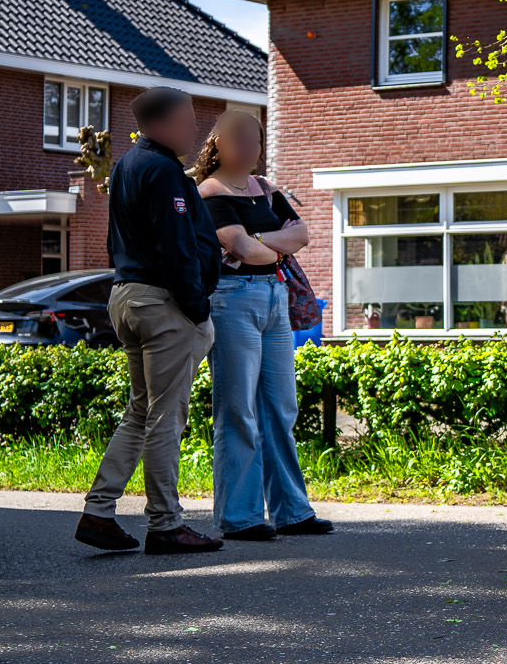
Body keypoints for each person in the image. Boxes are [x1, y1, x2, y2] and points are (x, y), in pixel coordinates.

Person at [75, 88, 225, 554]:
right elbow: (176, 245)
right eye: (188, 119)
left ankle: (98, 513)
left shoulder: (126, 166)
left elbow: (114, 239)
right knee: (165, 418)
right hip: (163, 304)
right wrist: (197, 307)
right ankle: (166, 525)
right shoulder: (162, 170)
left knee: (140, 412)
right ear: (160, 123)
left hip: (126, 295)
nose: (195, 129)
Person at [194, 108, 331, 541]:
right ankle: (240, 517)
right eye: (242, 140)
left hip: (275, 297)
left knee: (280, 406)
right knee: (238, 409)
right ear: (218, 142)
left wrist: (259, 244)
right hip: (232, 300)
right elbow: (240, 249)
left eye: (257, 141)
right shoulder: (209, 192)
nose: (252, 149)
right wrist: (267, 247)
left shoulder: (266, 189)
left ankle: (292, 511)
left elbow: (302, 234)